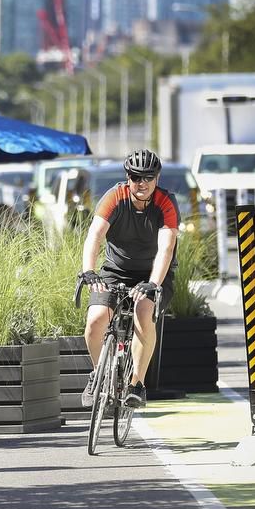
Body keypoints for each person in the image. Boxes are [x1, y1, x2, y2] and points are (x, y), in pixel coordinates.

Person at [78, 149, 179, 410]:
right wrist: (89, 271)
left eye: (147, 177)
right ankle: (97, 375)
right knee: (96, 320)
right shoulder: (114, 197)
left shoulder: (165, 202)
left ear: (156, 179)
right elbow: (94, 236)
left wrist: (153, 284)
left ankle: (137, 384)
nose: (141, 183)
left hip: (154, 273)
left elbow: (166, 248)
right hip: (115, 270)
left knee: (143, 312)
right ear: (128, 177)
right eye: (136, 177)